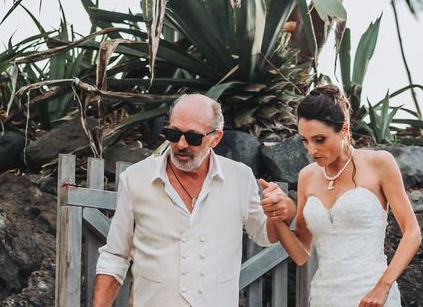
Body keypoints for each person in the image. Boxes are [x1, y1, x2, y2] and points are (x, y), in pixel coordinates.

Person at [91, 93, 296, 307]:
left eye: (193, 137)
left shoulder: (240, 178)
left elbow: (265, 235)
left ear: (215, 138)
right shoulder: (135, 179)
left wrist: (286, 211)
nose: (180, 144)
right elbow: (115, 256)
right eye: (173, 133)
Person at [260, 85, 421, 307]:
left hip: (372, 297)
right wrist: (274, 216)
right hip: (325, 297)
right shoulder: (307, 176)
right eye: (304, 140)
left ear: (344, 130)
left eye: (319, 139)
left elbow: (412, 232)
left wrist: (382, 288)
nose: (311, 150)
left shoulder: (380, 163)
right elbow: (301, 254)